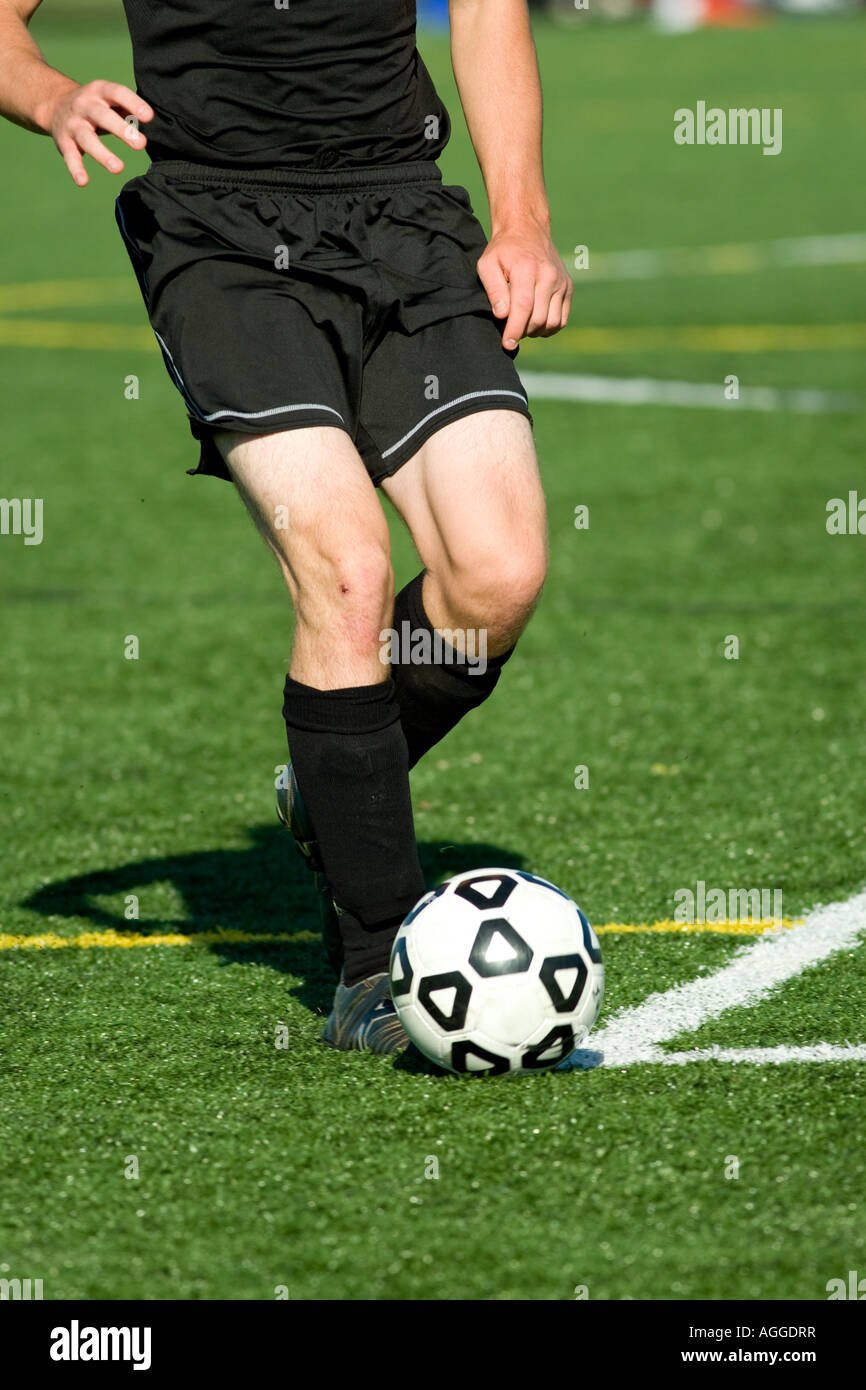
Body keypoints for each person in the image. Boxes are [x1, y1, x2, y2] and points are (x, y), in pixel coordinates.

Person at [0, 0, 572, 1053]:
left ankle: (335, 784)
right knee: (348, 569)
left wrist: (521, 221)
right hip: (216, 239)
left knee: (497, 571)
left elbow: (487, 11)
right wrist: (52, 95)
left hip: (403, 217)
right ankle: (373, 964)